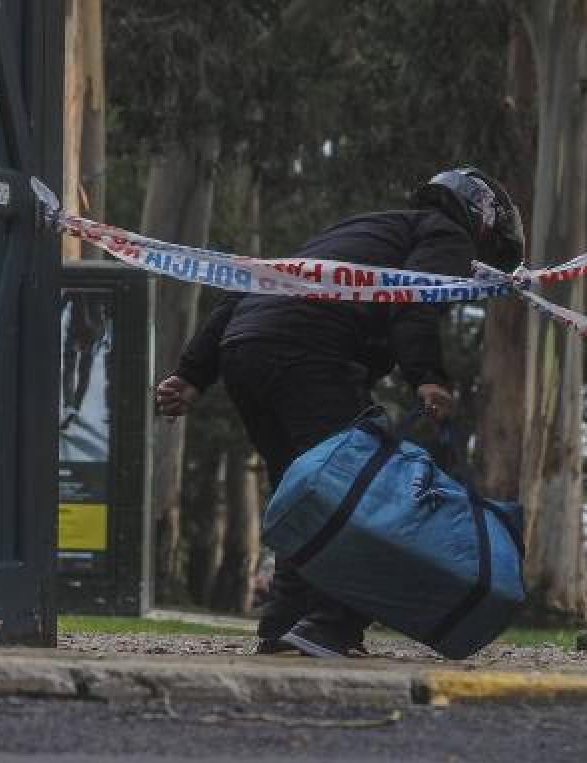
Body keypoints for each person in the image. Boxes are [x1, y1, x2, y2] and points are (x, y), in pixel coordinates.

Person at [153, 167, 524, 658]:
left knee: (308, 493)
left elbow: (249, 285)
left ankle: (283, 624)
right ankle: (331, 624)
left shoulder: (360, 230)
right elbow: (415, 299)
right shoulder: (447, 236)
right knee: (365, 488)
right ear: (482, 222)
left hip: (245, 352)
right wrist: (427, 376)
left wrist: (193, 373)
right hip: (309, 354)